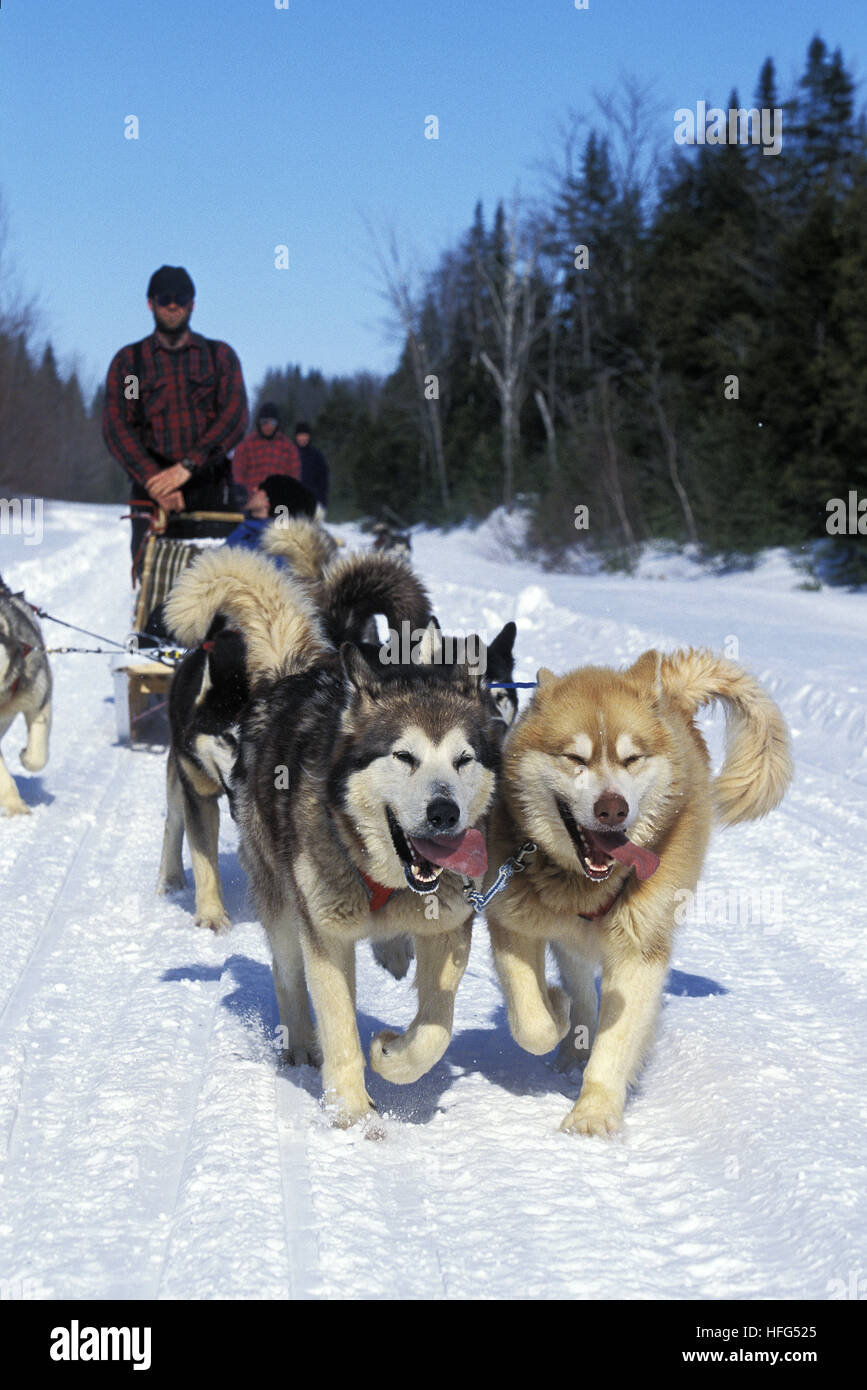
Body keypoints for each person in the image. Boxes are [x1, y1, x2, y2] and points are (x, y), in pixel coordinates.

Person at [102, 265, 248, 577]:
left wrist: (187, 466)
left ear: (192, 303)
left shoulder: (218, 357)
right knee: (155, 588)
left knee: (225, 589)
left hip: (211, 489)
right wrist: (155, 481)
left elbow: (234, 417)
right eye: (164, 297)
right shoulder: (131, 365)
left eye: (180, 298)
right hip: (152, 494)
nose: (172, 305)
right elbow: (118, 427)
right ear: (150, 303)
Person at [223, 473, 318, 559]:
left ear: (268, 502)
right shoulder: (245, 529)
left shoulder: (274, 550)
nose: (254, 489)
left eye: (261, 488)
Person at [230, 402, 301, 506]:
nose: (268, 426)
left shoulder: (288, 448)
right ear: (258, 423)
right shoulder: (245, 446)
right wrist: (244, 495)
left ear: (277, 424)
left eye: (272, 422)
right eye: (264, 422)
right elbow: (238, 475)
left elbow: (294, 477)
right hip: (252, 502)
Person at [293, 420, 330, 513]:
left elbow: (323, 482)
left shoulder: (317, 456)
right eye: (300, 435)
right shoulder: (288, 454)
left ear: (309, 436)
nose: (302, 438)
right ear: (296, 436)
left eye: (305, 435)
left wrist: (322, 503)